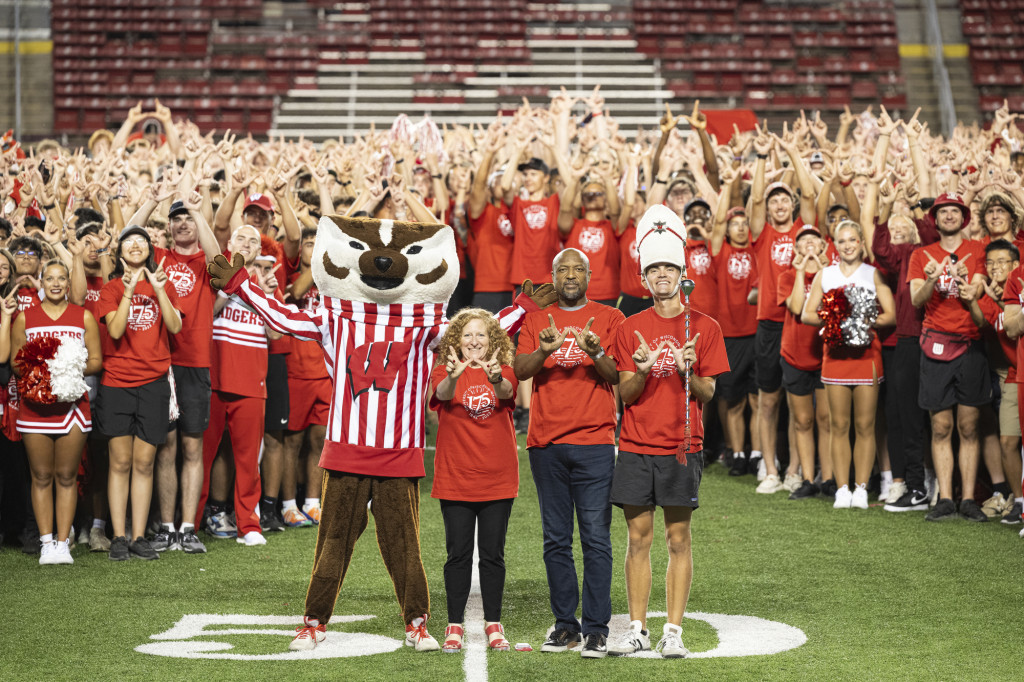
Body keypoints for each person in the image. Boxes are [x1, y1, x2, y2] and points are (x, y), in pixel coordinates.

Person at [607, 205, 729, 658]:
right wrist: (641, 370)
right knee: (637, 539)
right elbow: (626, 394)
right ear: (644, 277)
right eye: (654, 268)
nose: (662, 275)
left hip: (682, 447)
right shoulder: (630, 327)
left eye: (669, 268)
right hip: (636, 447)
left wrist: (686, 370)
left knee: (679, 540)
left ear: (682, 273)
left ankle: (672, 632)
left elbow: (708, 393)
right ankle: (637, 627)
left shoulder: (705, 327)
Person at [514, 247, 624, 658]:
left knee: (596, 537)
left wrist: (595, 351)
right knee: (556, 539)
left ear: (589, 276)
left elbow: (618, 376)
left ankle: (596, 628)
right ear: (554, 276)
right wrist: (545, 350)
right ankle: (566, 626)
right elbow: (520, 370)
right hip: (546, 443)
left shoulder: (611, 318)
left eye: (578, 269)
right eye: (564, 269)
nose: (571, 275)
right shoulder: (536, 319)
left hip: (596, 442)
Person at [429, 309, 519, 653]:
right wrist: (454, 375)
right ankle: (454, 625)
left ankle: (494, 624)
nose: (474, 341)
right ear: (456, 341)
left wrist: (495, 378)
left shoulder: (504, 370)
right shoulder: (443, 371)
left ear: (492, 340)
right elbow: (442, 394)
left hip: (497, 479)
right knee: (458, 555)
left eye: (481, 334)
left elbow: (509, 391)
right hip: (456, 478)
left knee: (493, 555)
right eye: (467, 335)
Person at [96, 225, 182, 560]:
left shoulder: (164, 284)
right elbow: (116, 330)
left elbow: (175, 327)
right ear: (119, 254)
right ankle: (118, 536)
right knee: (120, 462)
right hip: (117, 383)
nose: (135, 246)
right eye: (129, 242)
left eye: (141, 241)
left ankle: (138, 535)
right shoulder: (111, 289)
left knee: (145, 463)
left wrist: (159, 291)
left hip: (154, 384)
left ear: (150, 249)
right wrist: (130, 292)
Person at [9, 260, 102, 564]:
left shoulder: (83, 316)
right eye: (50, 278)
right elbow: (16, 362)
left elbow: (97, 361)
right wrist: (43, 371)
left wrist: (67, 370)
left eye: (62, 278)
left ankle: (63, 543)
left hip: (73, 406)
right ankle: (46, 542)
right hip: (34, 406)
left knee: (65, 476)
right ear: (41, 282)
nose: (57, 283)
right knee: (41, 475)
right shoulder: (25, 318)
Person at [801, 221, 896, 508]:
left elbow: (890, 315)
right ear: (835, 245)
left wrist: (861, 320)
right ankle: (843, 488)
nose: (847, 245)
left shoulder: (873, 273)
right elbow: (807, 314)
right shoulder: (825, 274)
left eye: (852, 239)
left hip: (867, 357)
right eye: (841, 241)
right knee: (838, 425)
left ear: (861, 243)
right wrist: (834, 319)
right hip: (835, 357)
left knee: (866, 425)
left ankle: (862, 488)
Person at [907, 194, 990, 521]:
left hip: (970, 342)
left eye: (955, 211)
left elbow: (980, 289)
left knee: (969, 425)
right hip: (935, 344)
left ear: (964, 217)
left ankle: (968, 498)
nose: (950, 216)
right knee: (940, 426)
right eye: (944, 212)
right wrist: (933, 276)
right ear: (935, 220)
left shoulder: (977, 251)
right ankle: (944, 497)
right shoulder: (921, 254)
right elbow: (916, 298)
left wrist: (963, 281)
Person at [777, 227, 828, 499]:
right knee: (803, 420)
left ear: (822, 246)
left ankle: (829, 478)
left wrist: (822, 272)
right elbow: (797, 308)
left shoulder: (833, 274)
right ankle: (808, 478)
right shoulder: (787, 276)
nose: (809, 245)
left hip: (825, 355)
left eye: (814, 240)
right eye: (803, 241)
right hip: (795, 355)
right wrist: (800, 273)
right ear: (796, 249)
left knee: (827, 419)